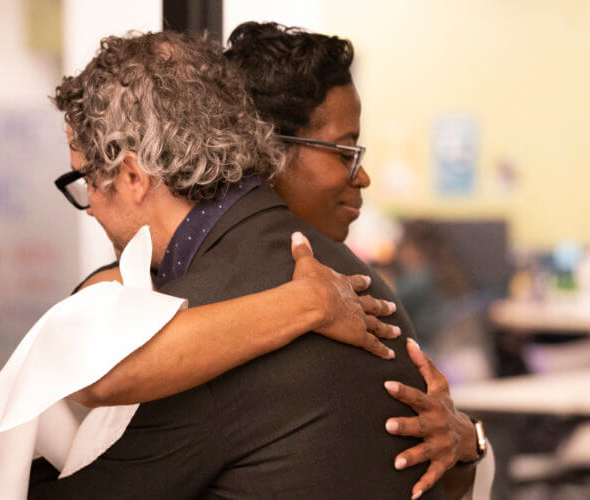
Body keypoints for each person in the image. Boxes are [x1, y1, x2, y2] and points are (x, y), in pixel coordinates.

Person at [34, 24, 485, 499]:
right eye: (346, 152)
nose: (92, 206)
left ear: (131, 175)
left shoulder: (200, 328)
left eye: (86, 180)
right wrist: (307, 303)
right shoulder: (360, 285)